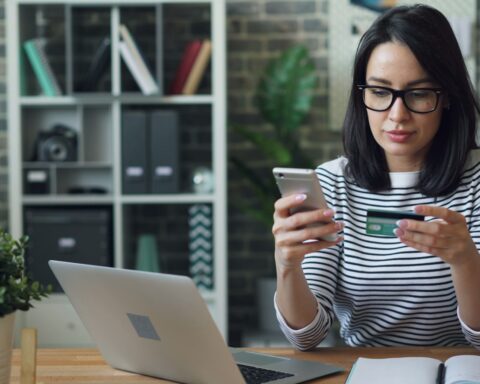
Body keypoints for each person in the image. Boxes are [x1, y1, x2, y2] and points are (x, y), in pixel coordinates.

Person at [272, 4, 480, 350]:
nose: (397, 115)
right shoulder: (332, 184)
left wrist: (465, 261)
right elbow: (306, 337)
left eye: (419, 93)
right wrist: (286, 265)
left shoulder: (476, 182)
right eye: (381, 92)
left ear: (447, 98)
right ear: (361, 96)